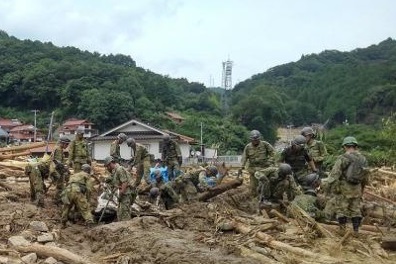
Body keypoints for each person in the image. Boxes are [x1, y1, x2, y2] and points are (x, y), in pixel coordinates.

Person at [325, 136, 368, 234]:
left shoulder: (343, 158)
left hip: (344, 187)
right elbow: (366, 176)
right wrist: (362, 188)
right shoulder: (363, 158)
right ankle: (356, 231)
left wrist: (329, 186)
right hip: (357, 187)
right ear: (355, 146)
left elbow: (335, 173)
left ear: (345, 146)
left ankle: (342, 230)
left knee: (341, 209)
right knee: (355, 209)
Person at [240, 130, 275, 197]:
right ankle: (254, 200)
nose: (255, 141)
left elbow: (273, 153)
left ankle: (267, 198)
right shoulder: (248, 147)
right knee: (253, 187)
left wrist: (270, 161)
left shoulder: (265, 144)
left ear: (259, 139)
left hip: (264, 169)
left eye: (257, 139)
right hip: (253, 170)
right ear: (251, 139)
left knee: (266, 184)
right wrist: (242, 166)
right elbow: (244, 157)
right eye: (253, 140)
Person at [104, 156, 135, 221]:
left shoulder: (119, 169)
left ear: (110, 164)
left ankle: (127, 229)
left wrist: (121, 193)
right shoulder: (115, 171)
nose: (107, 168)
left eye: (107, 166)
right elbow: (112, 179)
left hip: (126, 194)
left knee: (125, 214)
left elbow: (125, 182)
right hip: (124, 194)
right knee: (120, 213)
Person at [50, 135, 70, 205]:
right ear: (62, 143)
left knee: (60, 186)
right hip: (58, 171)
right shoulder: (58, 149)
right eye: (66, 144)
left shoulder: (59, 149)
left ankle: (58, 199)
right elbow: (58, 163)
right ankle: (57, 200)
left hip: (58, 170)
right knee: (60, 186)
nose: (67, 146)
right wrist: (65, 169)